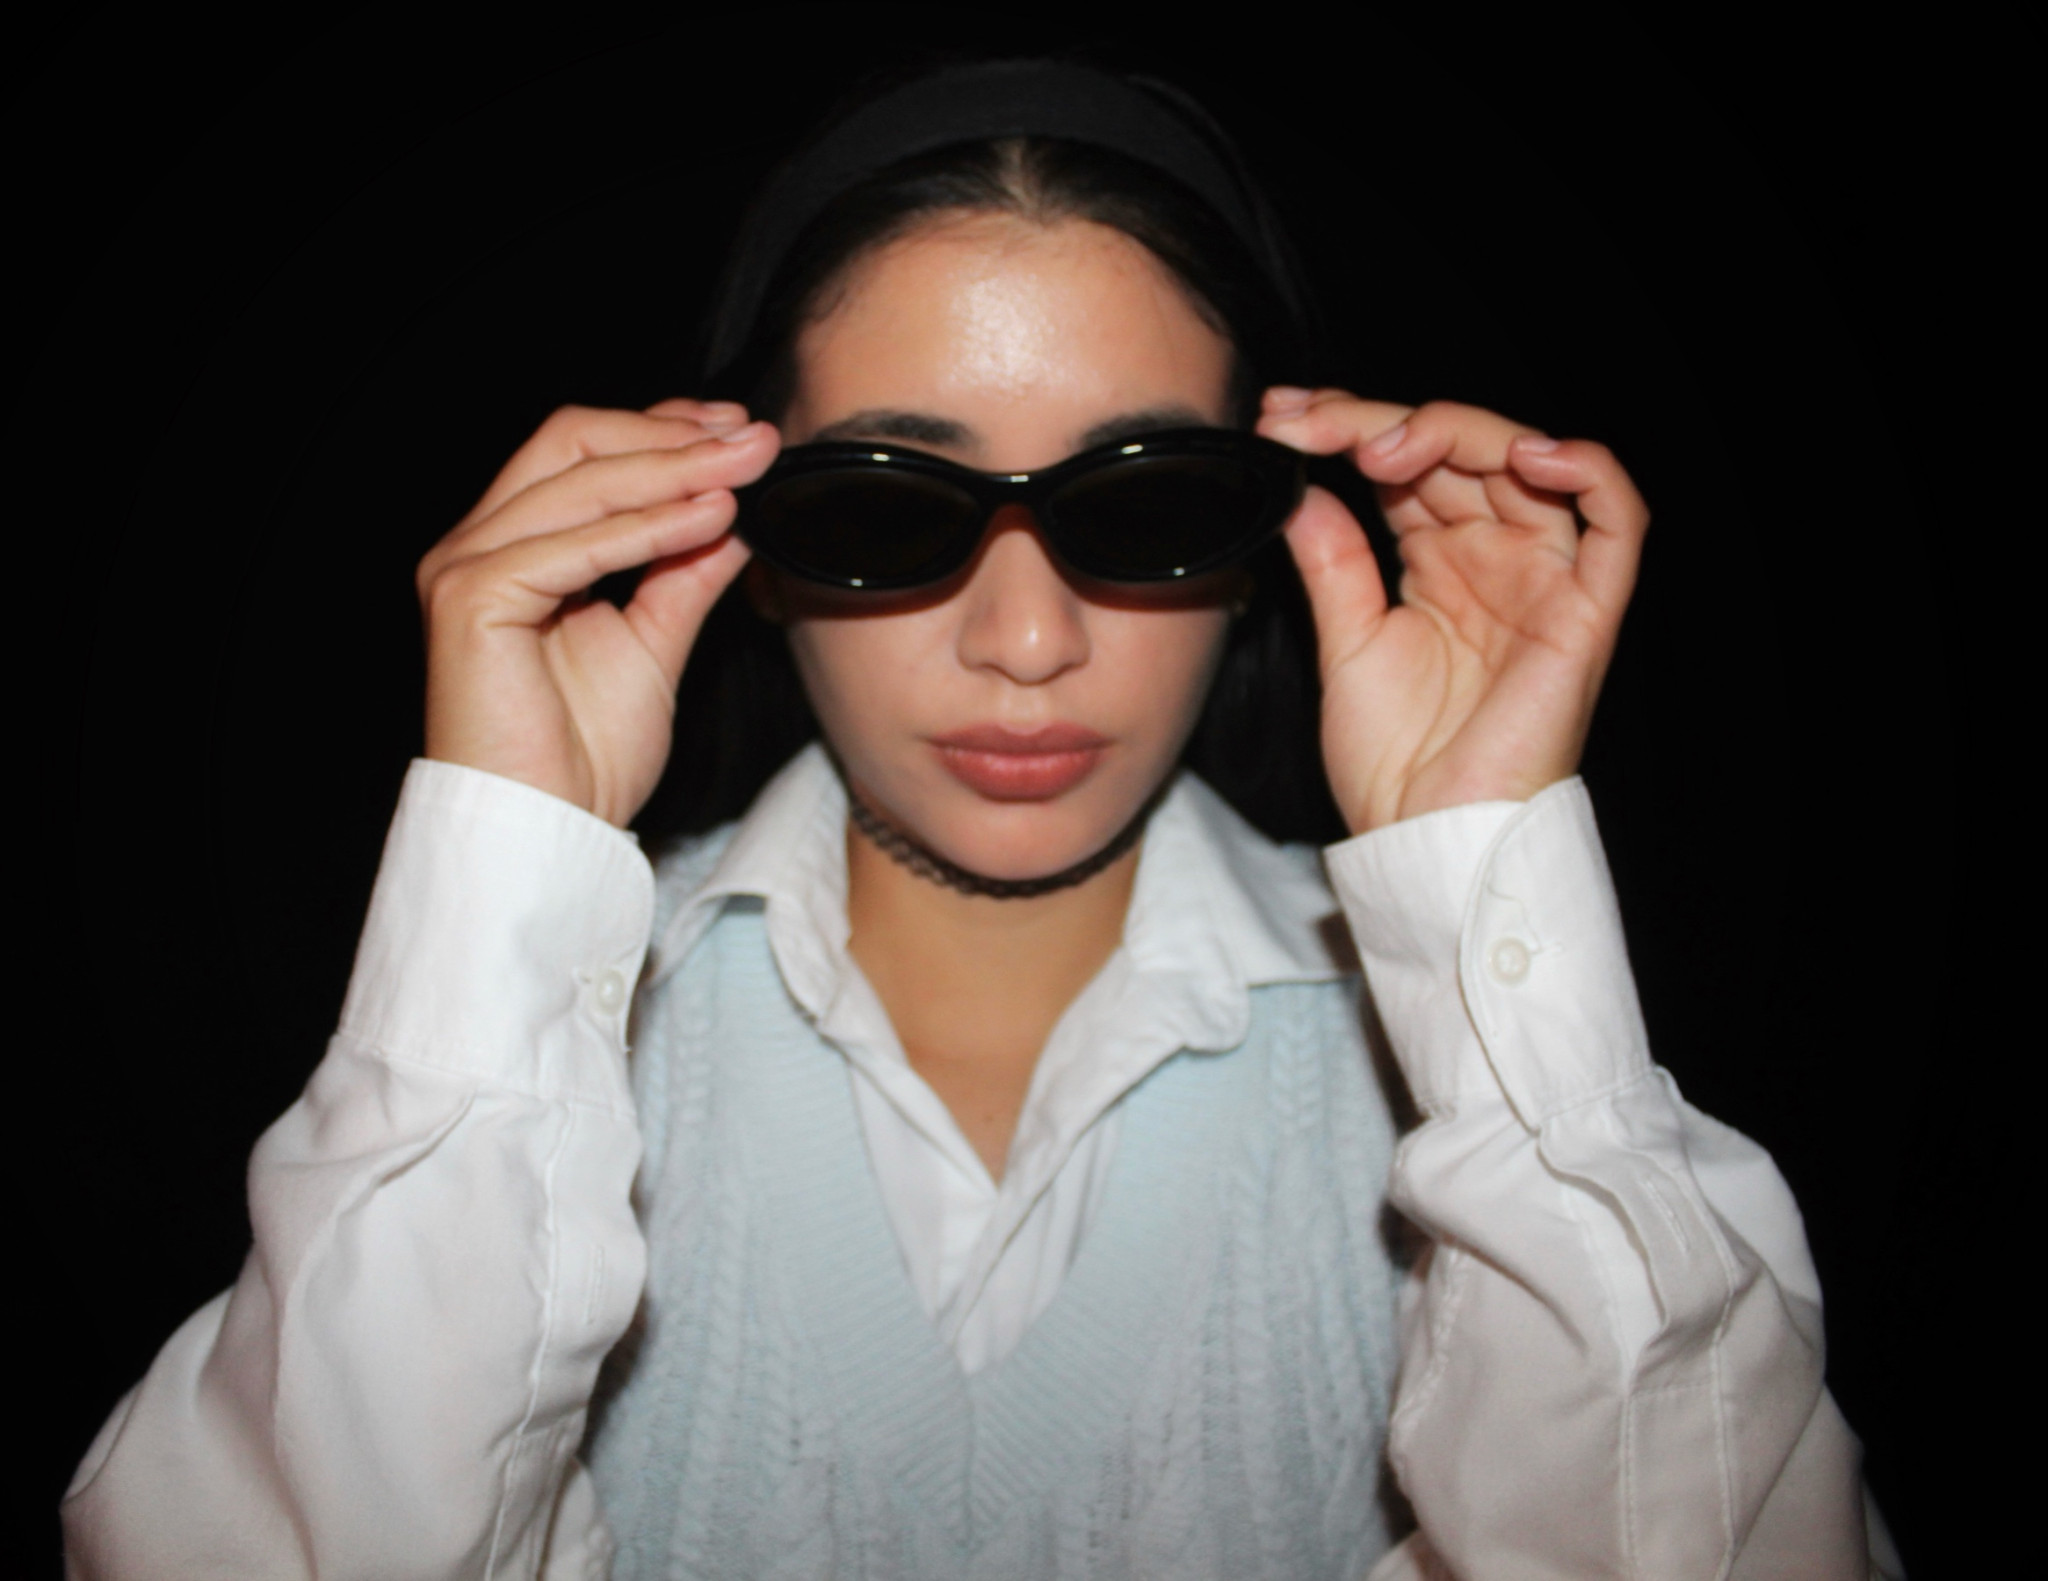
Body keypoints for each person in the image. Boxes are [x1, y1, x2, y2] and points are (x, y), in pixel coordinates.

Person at [60, 57, 1902, 1580]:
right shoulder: (534, 1060)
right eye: (887, 505)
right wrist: (499, 879)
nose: (1028, 641)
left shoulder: (1461, 1091)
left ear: (1262, 541)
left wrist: (1493, 900)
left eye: (1145, 499)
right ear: (741, 538)